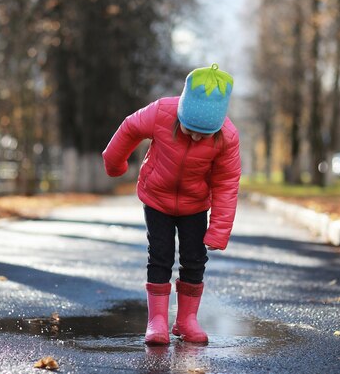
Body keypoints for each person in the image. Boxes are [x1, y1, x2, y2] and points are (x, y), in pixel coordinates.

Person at [102, 63, 241, 345]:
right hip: (157, 197)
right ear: (181, 114)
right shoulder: (162, 111)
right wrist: (115, 163)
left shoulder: (227, 137)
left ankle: (187, 320)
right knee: (160, 255)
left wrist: (219, 229)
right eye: (190, 130)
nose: (195, 137)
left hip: (195, 204)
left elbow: (227, 183)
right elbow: (130, 128)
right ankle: (157, 322)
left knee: (194, 260)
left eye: (204, 134)